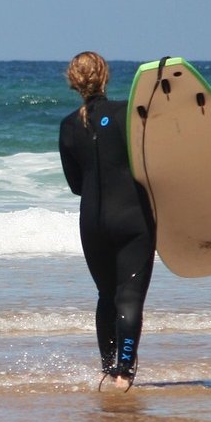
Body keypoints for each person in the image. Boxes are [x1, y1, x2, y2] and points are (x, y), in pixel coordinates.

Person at [57, 52, 156, 391]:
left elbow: (75, 186)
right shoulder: (126, 114)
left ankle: (106, 369)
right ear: (105, 76)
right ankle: (124, 374)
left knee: (106, 296)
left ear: (73, 81)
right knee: (129, 297)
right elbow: (162, 157)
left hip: (93, 223)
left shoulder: (68, 125)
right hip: (131, 218)